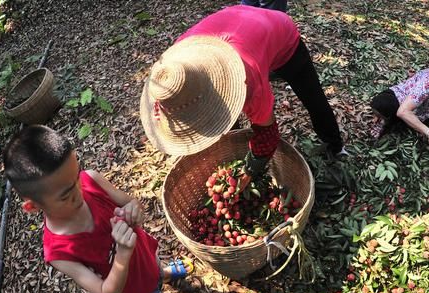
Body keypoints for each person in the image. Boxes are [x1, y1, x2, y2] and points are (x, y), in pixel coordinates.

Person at [3, 125, 193, 293]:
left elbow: (130, 202)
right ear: (32, 207)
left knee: (156, 268)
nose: (80, 191)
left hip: (145, 257)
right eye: (67, 195)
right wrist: (122, 254)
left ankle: (163, 273)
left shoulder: (90, 180)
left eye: (76, 176)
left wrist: (133, 210)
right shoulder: (59, 252)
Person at [139, 5, 345, 187]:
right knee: (231, 105)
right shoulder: (175, 66)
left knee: (312, 97)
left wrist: (249, 171)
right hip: (239, 25)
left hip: (280, 33)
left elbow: (268, 134)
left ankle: (335, 146)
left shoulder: (249, 81)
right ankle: (234, 142)